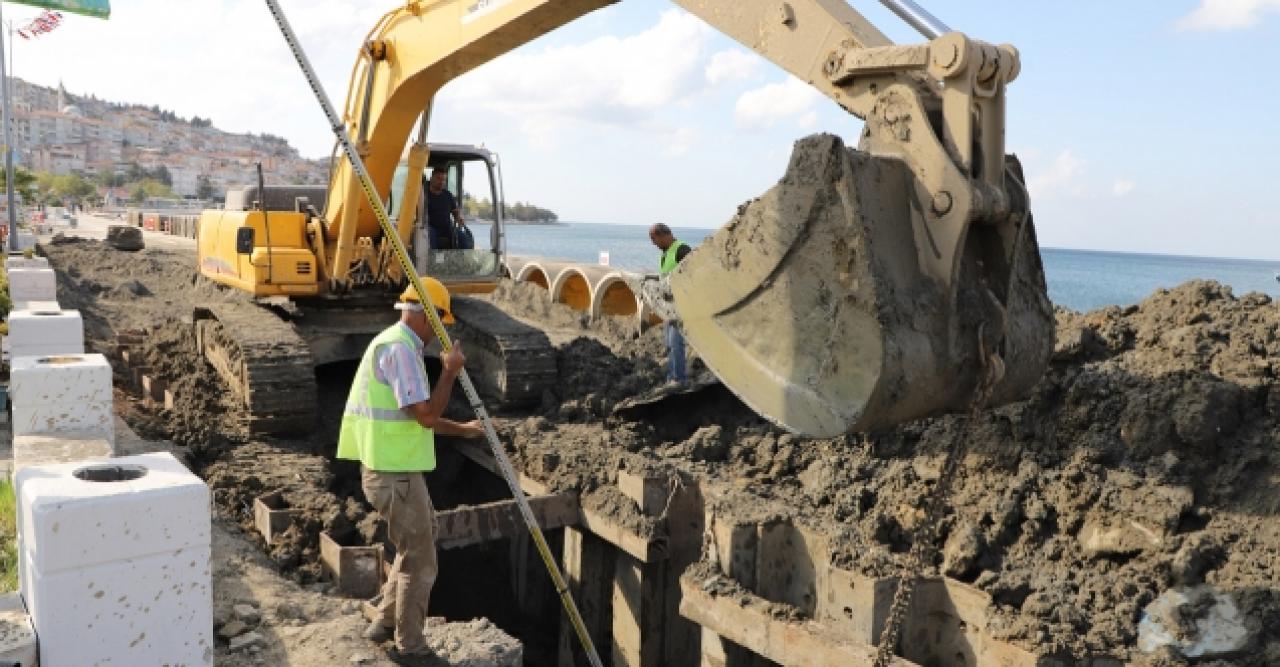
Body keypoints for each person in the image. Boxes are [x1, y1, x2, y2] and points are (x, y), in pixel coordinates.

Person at [337, 277, 485, 657]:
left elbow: (422, 418)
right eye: (441, 324)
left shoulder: (394, 343)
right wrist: (449, 372)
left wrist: (464, 431)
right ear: (428, 316)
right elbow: (426, 415)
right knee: (420, 559)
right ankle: (411, 647)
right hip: (393, 473)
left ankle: (385, 621)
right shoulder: (400, 351)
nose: (442, 334)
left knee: (417, 541)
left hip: (392, 469)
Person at [648, 223, 691, 384]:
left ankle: (679, 379)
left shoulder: (682, 250)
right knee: (669, 344)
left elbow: (692, 275)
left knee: (676, 343)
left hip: (680, 306)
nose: (653, 243)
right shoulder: (665, 254)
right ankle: (672, 377)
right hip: (669, 307)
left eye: (654, 239)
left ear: (663, 235)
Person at [424, 168, 466, 250]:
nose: (441, 182)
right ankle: (432, 260)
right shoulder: (423, 194)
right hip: (429, 227)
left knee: (462, 236)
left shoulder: (448, 195)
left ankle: (464, 260)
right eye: (438, 179)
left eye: (444, 180)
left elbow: (455, 212)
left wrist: (459, 218)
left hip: (446, 228)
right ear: (431, 178)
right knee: (430, 235)